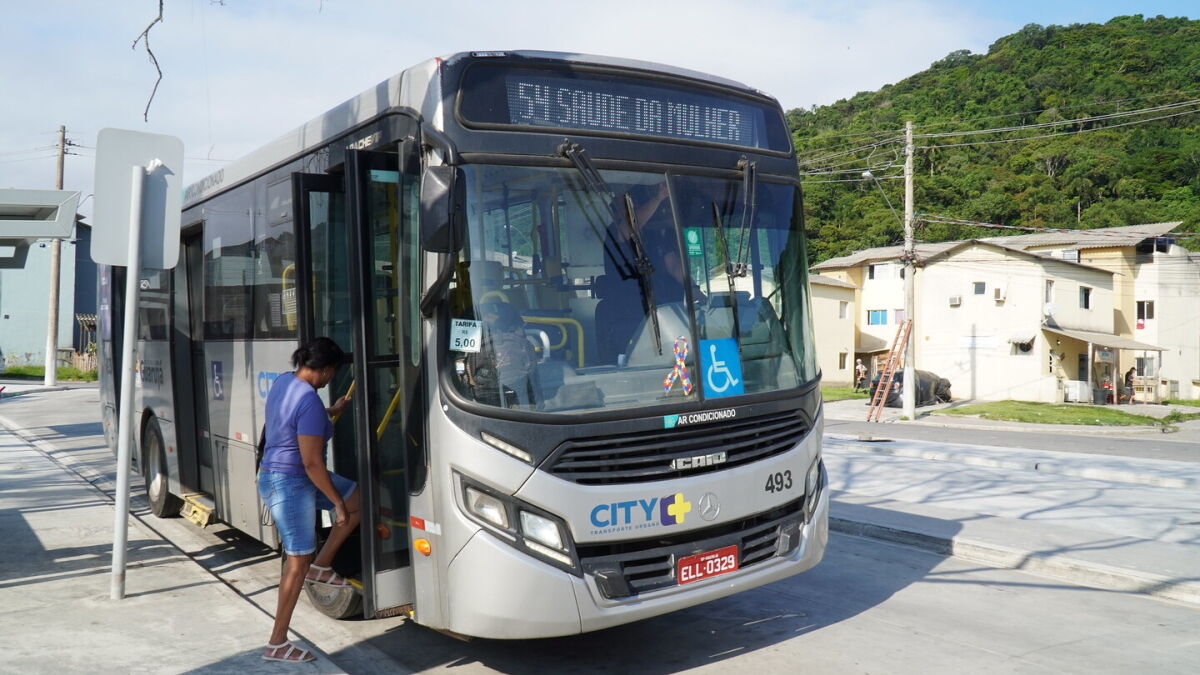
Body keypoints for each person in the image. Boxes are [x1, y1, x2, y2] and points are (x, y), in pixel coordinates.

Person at [257, 337, 359, 663]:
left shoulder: (285, 382)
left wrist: (332, 411)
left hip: (285, 476)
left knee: (360, 500)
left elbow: (294, 421)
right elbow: (313, 464)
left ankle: (322, 566)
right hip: (291, 484)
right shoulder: (310, 403)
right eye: (332, 372)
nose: (331, 378)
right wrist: (337, 506)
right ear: (326, 370)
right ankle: (277, 643)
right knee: (296, 563)